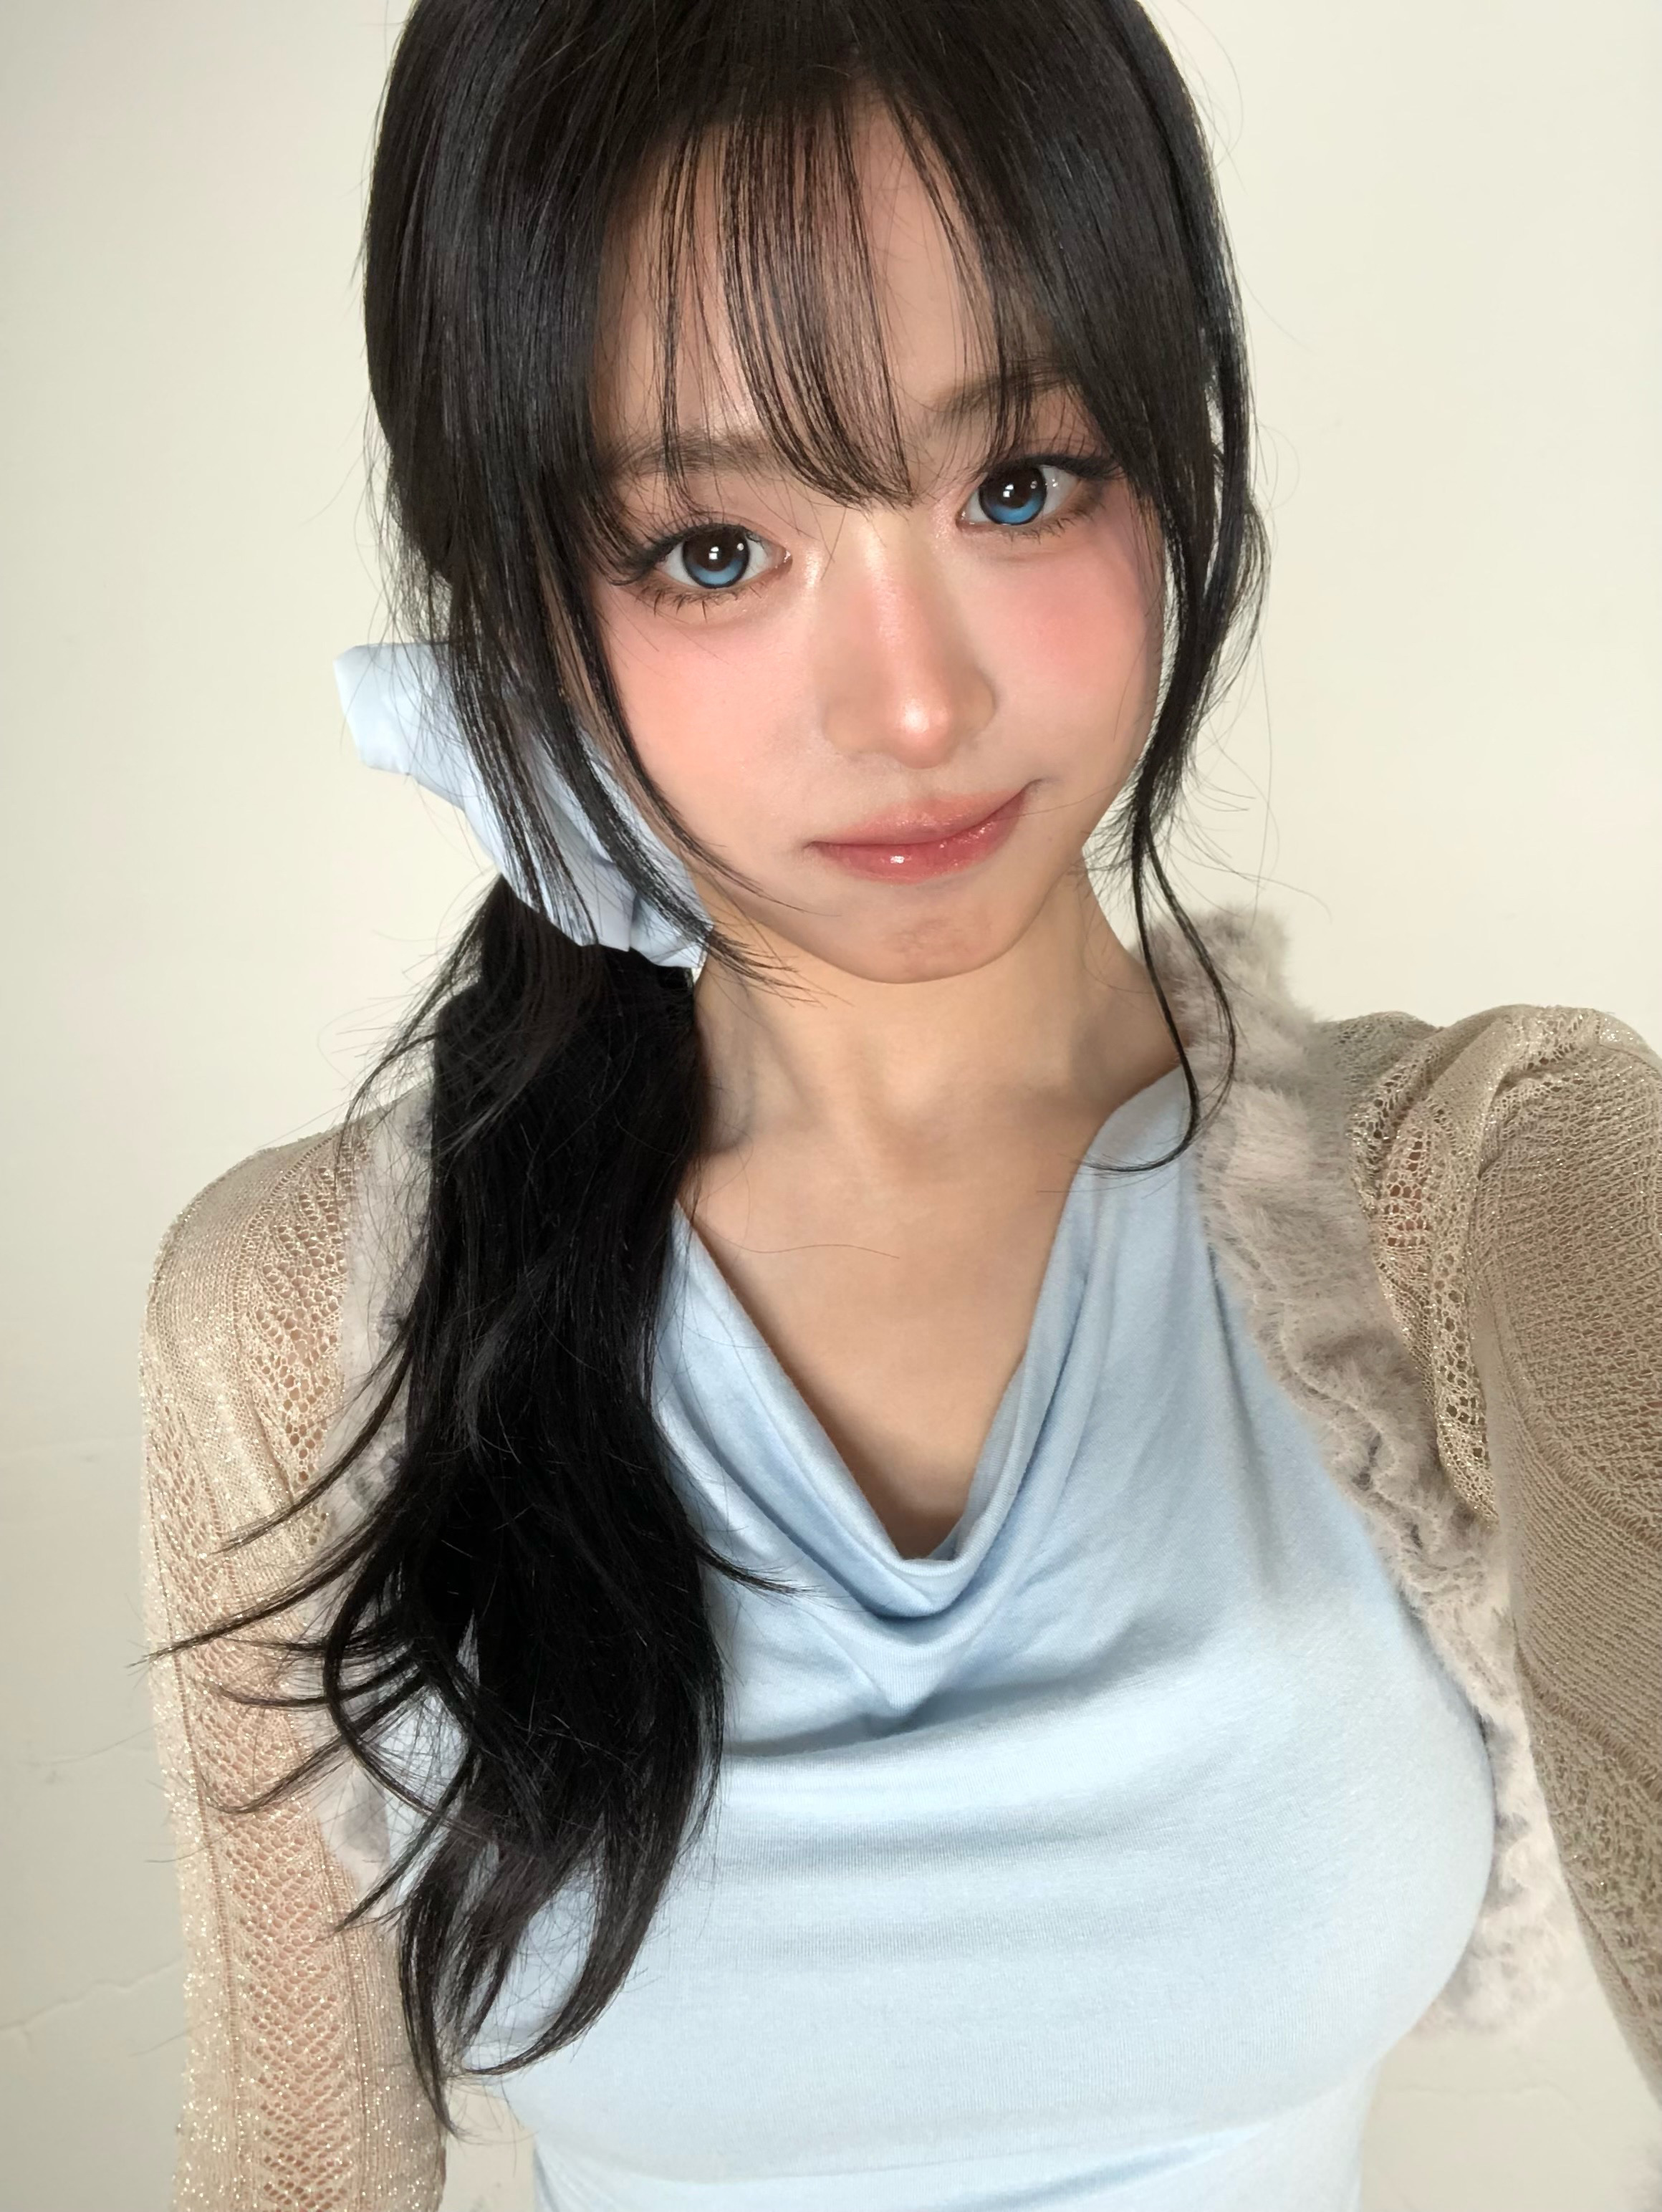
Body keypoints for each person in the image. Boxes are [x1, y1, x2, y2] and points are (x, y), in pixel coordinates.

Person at [136, 0, 1662, 2206]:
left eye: (1018, 484)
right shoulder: (299, 1318)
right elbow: (296, 2172)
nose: (918, 705)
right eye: (712, 548)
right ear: (511, 600)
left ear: (1177, 448)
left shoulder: (1497, 1194)